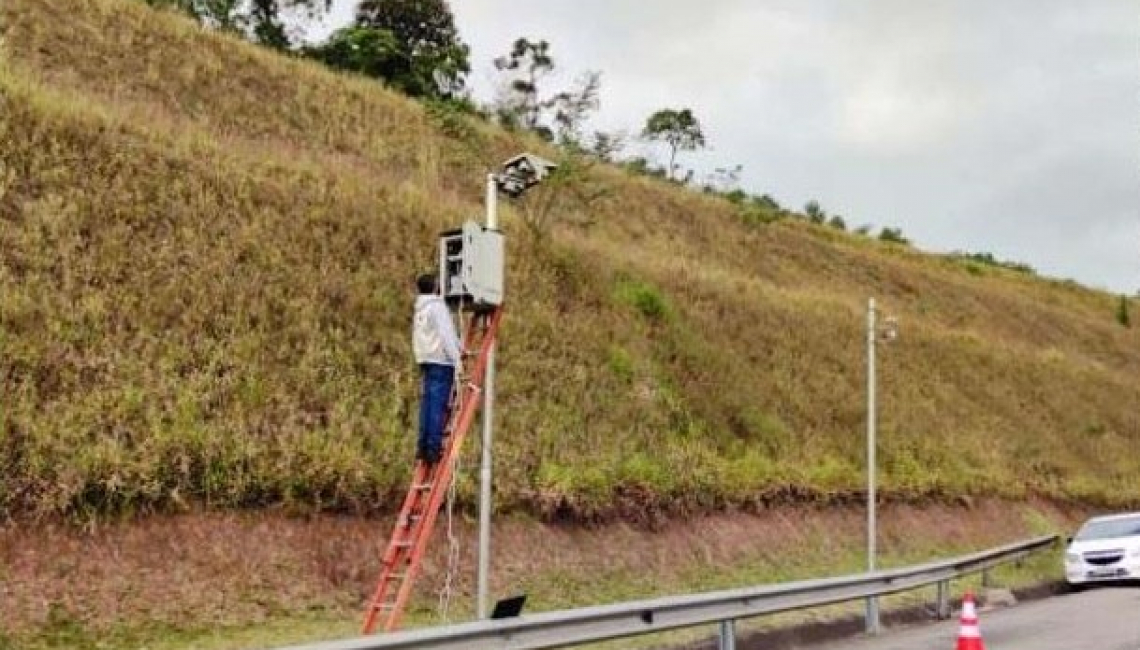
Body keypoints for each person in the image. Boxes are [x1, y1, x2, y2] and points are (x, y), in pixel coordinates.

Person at [412, 273, 461, 463]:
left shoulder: (420, 307)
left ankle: (423, 446)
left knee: (427, 404)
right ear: (435, 287)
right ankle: (433, 448)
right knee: (437, 405)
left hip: (426, 358)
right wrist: (458, 358)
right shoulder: (437, 307)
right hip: (441, 360)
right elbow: (446, 335)